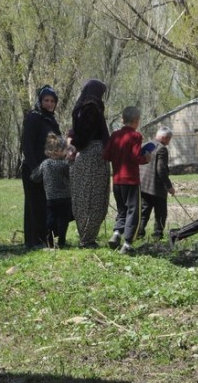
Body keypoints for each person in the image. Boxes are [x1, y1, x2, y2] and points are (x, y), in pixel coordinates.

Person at [103, 106, 151, 254]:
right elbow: (136, 157)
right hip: (131, 181)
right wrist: (146, 158)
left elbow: (106, 155)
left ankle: (117, 233)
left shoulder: (115, 135)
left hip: (117, 180)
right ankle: (128, 243)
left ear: (122, 119)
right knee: (133, 211)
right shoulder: (136, 136)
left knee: (121, 209)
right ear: (136, 121)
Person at [70, 79, 110, 248]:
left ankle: (85, 236)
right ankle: (88, 238)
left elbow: (77, 131)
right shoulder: (92, 108)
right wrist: (77, 143)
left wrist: (74, 145)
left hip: (83, 156)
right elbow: (85, 132)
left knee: (83, 195)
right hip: (94, 156)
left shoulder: (80, 108)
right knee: (94, 197)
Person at [21, 85, 61, 248]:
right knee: (34, 205)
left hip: (49, 169)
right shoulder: (34, 117)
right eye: (46, 100)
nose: (49, 104)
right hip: (33, 168)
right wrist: (35, 169)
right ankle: (34, 241)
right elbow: (27, 144)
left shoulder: (51, 120)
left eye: (52, 101)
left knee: (45, 205)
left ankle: (45, 239)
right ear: (40, 101)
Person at [30, 133, 72, 248]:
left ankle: (50, 241)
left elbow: (35, 177)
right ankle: (61, 241)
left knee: (50, 220)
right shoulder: (65, 164)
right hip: (65, 198)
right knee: (63, 221)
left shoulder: (45, 164)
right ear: (58, 151)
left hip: (51, 198)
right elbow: (71, 176)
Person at [139, 126, 176, 240]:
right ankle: (157, 235)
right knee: (161, 213)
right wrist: (169, 186)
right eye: (169, 139)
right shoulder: (162, 149)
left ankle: (138, 233)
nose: (168, 142)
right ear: (164, 138)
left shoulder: (145, 145)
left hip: (143, 185)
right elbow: (161, 170)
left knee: (144, 212)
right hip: (156, 187)